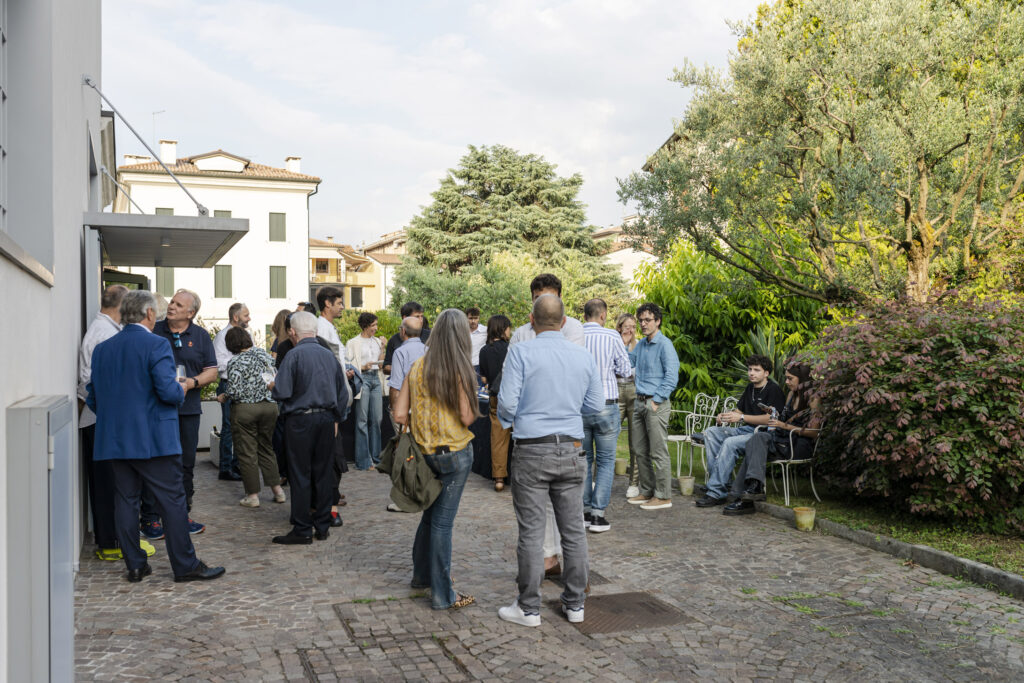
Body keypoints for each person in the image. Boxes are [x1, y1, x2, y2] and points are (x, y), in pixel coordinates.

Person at [86, 289, 225, 583]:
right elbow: (168, 392)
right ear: (150, 313)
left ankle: (135, 565)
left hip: (114, 439)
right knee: (172, 501)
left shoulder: (103, 349)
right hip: (154, 440)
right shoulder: (157, 344)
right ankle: (185, 565)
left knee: (126, 501)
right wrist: (182, 387)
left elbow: (94, 398)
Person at [497, 294, 604, 627]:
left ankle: (529, 608)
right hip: (571, 447)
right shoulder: (582, 355)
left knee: (531, 531)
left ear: (532, 320)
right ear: (563, 321)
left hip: (532, 447)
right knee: (573, 531)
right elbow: (596, 404)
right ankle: (575, 604)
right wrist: (567, 409)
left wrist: (514, 420)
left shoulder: (521, 352)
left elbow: (507, 404)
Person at [393, 309, 480, 610]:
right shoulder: (459, 369)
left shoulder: (417, 366)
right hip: (454, 453)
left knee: (430, 517)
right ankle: (444, 595)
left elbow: (399, 414)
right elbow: (467, 417)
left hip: (424, 454)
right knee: (442, 523)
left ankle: (421, 577)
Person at [508, 273, 586, 576]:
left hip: (564, 431)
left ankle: (571, 578)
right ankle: (548, 559)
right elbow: (511, 386)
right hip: (532, 434)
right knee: (534, 513)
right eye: (537, 298)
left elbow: (567, 375)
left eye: (548, 297)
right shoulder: (520, 334)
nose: (542, 303)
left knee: (569, 516)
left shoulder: (573, 329)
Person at [78, 284, 157, 561]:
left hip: (103, 419)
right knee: (110, 485)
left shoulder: (105, 330)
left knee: (113, 484)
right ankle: (113, 542)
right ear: (123, 305)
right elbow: (89, 383)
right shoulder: (104, 334)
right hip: (103, 420)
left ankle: (118, 539)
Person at [270, 312, 351, 544]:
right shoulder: (329, 355)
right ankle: (323, 525)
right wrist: (336, 418)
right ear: (314, 331)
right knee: (323, 473)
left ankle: (302, 528)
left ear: (292, 332)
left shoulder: (293, 355)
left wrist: (272, 386)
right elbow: (342, 393)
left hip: (300, 420)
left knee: (300, 474)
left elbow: (282, 391)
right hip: (326, 419)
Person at [149, 289, 218, 536]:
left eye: (178, 305)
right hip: (156, 409)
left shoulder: (200, 336)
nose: (171, 306)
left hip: (187, 410)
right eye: (172, 302)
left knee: (185, 464)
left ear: (191, 313)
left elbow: (212, 371)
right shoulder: (154, 330)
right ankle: (151, 518)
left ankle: (182, 515)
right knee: (155, 462)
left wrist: (192, 383)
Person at [723, 362, 821, 515]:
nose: (786, 382)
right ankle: (751, 492)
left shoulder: (813, 399)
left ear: (802, 380)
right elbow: (783, 419)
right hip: (783, 440)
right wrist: (773, 414)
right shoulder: (791, 395)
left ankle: (744, 495)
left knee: (756, 444)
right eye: (786, 378)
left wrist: (783, 425)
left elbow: (814, 432)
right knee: (756, 439)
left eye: (790, 378)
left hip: (798, 445)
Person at [694, 355, 786, 508]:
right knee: (711, 432)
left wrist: (742, 417)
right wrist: (726, 416)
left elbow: (770, 419)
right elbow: (739, 411)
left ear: (766, 373)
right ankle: (723, 484)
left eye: (756, 370)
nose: (751, 373)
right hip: (745, 430)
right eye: (750, 369)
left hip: (760, 434)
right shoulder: (750, 388)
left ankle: (715, 492)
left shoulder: (773, 390)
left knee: (730, 442)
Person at [581, 299, 633, 534]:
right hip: (606, 403)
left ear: (585, 315)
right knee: (605, 461)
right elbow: (625, 370)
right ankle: (598, 515)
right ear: (603, 315)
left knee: (583, 459)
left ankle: (584, 511)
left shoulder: (575, 335)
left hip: (580, 405)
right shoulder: (612, 336)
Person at [627, 302, 681, 511]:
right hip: (639, 402)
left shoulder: (665, 345)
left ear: (657, 321)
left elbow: (671, 377)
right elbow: (626, 364)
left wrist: (657, 401)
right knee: (639, 450)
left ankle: (663, 495)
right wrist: (625, 341)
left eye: (647, 320)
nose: (643, 324)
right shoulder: (641, 344)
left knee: (658, 451)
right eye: (641, 320)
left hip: (655, 403)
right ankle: (647, 491)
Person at [225, 327, 285, 508]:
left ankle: (252, 496)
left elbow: (234, 391)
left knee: (247, 452)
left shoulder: (235, 361)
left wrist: (223, 396)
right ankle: (278, 491)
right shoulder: (265, 356)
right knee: (266, 448)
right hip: (269, 407)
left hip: (246, 409)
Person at [213, 302, 251, 481]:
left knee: (242, 426)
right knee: (229, 426)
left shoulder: (247, 334)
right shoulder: (222, 337)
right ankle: (226, 467)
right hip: (228, 383)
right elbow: (219, 364)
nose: (249, 318)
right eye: (246, 315)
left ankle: (237, 464)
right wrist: (240, 365)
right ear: (236, 317)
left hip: (245, 385)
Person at [345, 312, 387, 471]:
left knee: (377, 419)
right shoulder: (353, 342)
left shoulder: (377, 341)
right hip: (362, 378)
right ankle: (364, 461)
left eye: (376, 324)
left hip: (376, 378)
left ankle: (376, 457)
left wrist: (383, 347)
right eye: (373, 325)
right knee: (362, 420)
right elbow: (347, 364)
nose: (376, 328)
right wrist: (363, 367)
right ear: (365, 326)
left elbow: (381, 364)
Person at [478, 314, 512, 491]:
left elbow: (484, 379)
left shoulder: (484, 351)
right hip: (514, 396)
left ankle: (499, 479)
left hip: (495, 396)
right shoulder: (512, 348)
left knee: (498, 438)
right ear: (503, 329)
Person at [510, 274, 585, 345]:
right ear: (532, 299)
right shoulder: (520, 334)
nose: (544, 302)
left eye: (550, 297)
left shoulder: (573, 327)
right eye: (538, 298)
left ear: (560, 298)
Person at [615, 313, 641, 499]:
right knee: (608, 437)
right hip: (616, 391)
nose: (630, 330)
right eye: (627, 326)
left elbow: (637, 371)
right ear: (619, 327)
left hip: (634, 391)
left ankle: (634, 483)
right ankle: (598, 479)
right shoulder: (613, 343)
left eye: (633, 326)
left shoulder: (638, 346)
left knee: (636, 440)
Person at [388, 316, 426, 407]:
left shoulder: (400, 352)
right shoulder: (428, 350)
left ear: (403, 331)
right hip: (426, 404)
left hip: (407, 405)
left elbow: (395, 387)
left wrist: (394, 409)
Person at [383, 302, 430, 373]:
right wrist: (402, 369)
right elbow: (386, 367)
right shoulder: (394, 340)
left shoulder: (431, 336)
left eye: (422, 316)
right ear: (405, 318)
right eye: (417, 317)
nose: (421, 320)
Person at [466, 307, 487, 373]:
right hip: (465, 365)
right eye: (470, 318)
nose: (473, 321)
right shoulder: (462, 331)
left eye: (475, 318)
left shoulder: (485, 331)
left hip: (479, 366)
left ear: (479, 318)